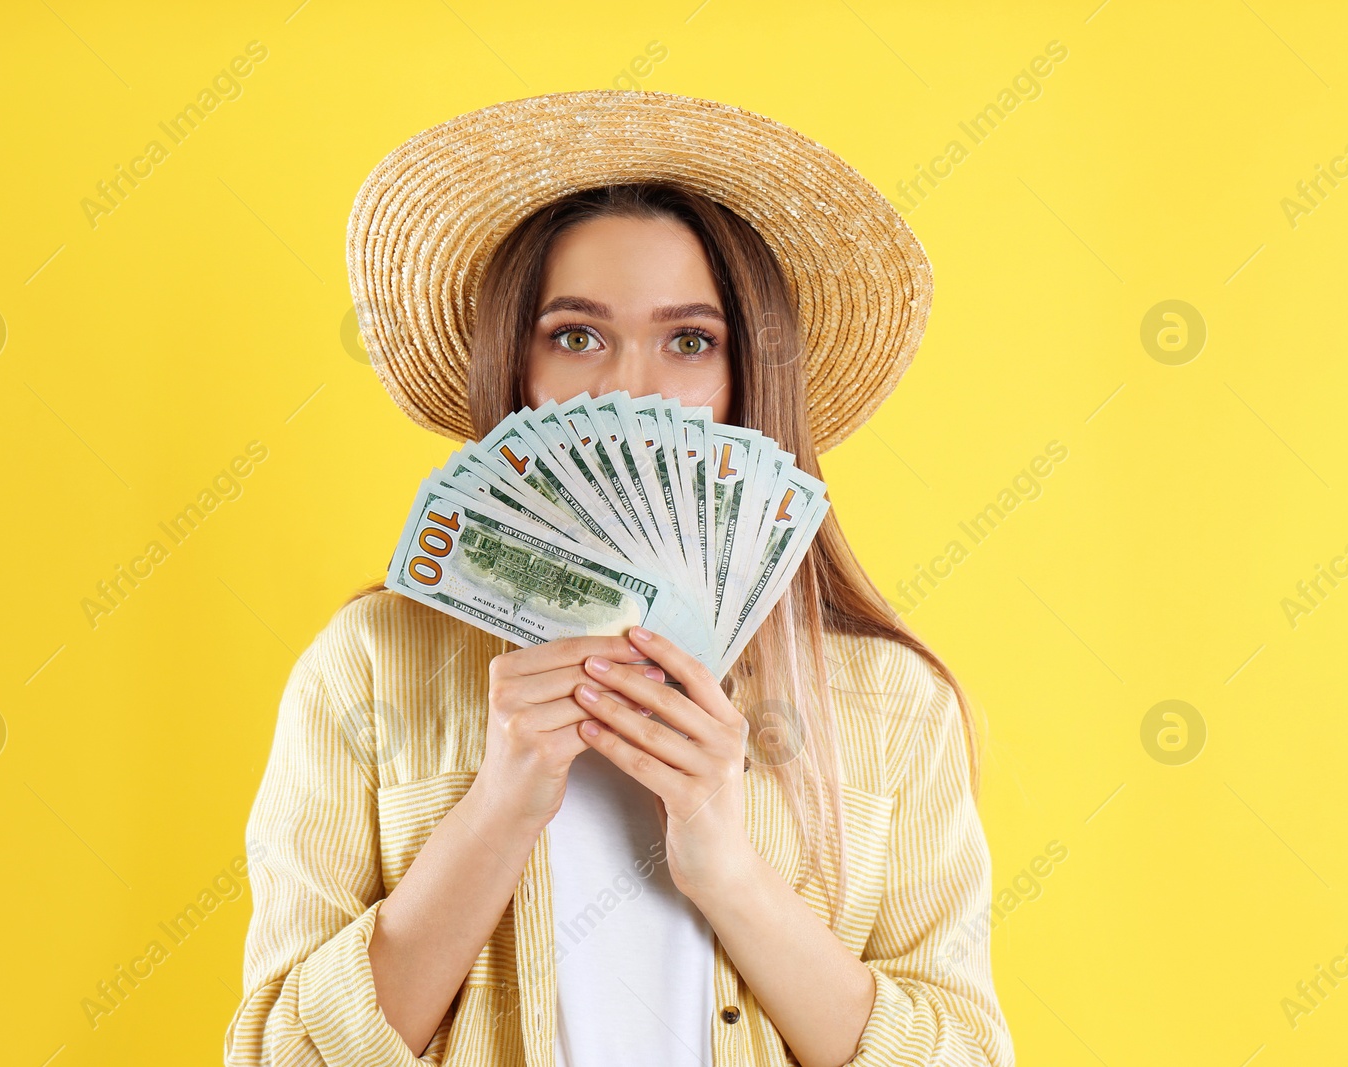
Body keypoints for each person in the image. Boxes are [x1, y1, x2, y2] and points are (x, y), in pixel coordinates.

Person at [225, 89, 1015, 1067]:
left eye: (690, 340)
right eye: (576, 335)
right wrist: (500, 802)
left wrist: (727, 864)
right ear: (515, 372)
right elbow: (276, 1055)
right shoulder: (371, 667)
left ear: (744, 384)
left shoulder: (894, 706)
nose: (629, 389)